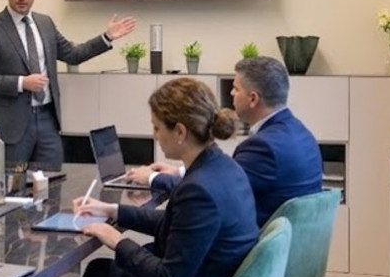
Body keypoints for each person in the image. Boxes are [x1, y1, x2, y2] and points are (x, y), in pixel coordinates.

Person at [44, 77, 259, 277]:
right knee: (109, 268)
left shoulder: (200, 189)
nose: (154, 135)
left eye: (157, 128)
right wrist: (112, 210)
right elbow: (177, 223)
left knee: (100, 273)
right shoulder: (223, 167)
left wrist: (117, 240)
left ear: (180, 131)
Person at [0, 0, 137, 168]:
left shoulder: (45, 24)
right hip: (11, 126)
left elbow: (72, 55)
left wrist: (107, 37)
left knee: (53, 181)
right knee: (12, 184)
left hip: (47, 120)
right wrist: (22, 83)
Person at [127, 56, 324, 226]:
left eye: (235, 89)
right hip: (290, 245)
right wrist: (179, 171)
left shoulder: (262, 147)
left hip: (252, 246)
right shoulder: (301, 133)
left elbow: (210, 191)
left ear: (253, 99)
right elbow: (226, 177)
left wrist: (152, 178)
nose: (231, 94)